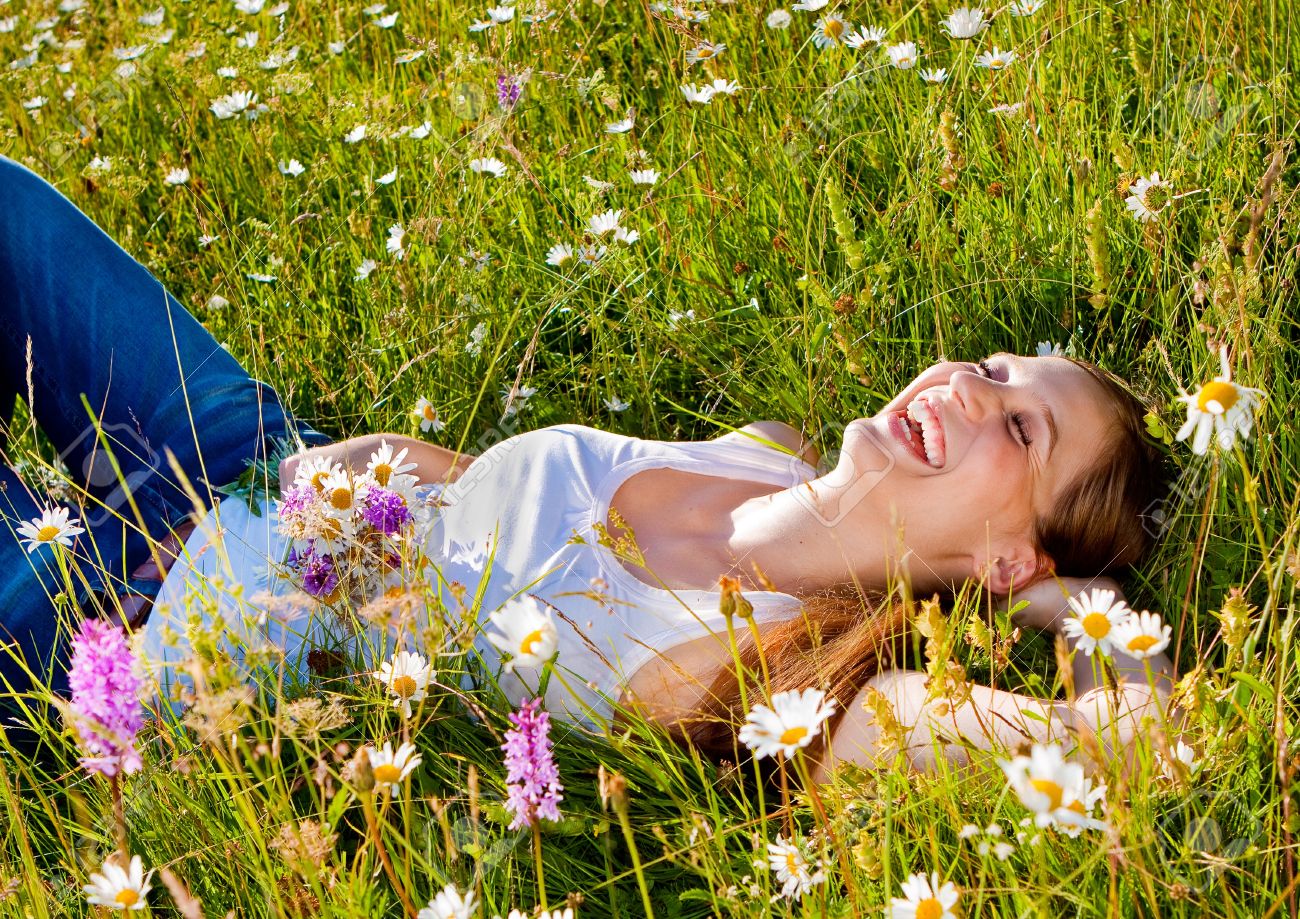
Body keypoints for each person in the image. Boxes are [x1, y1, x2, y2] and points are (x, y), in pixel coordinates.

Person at [0, 154, 1171, 783]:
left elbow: (1139, 755)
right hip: (254, 462)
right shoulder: (770, 453)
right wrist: (356, 468)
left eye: (1023, 432)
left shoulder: (800, 690)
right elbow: (472, 496)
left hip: (113, 643)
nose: (972, 386)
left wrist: (1073, 603)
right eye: (991, 365)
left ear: (1008, 548)